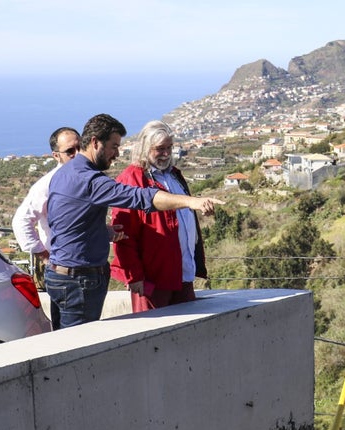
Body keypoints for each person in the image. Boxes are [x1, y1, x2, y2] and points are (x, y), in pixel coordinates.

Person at [45, 113, 223, 330]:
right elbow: (142, 198)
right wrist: (191, 202)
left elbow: (64, 220)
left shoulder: (63, 173)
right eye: (113, 146)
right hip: (80, 279)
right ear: (95, 142)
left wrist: (102, 231)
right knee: (74, 348)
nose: (117, 154)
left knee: (63, 342)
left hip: (58, 274)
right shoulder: (92, 180)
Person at [110, 120, 206, 311]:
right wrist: (134, 276)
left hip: (183, 275)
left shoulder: (174, 175)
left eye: (169, 148)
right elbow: (124, 234)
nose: (166, 154)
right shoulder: (132, 179)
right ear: (145, 147)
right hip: (153, 281)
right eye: (160, 149)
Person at [11, 127, 80, 289]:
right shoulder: (46, 185)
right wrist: (44, 256)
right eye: (70, 151)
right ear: (56, 156)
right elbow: (21, 221)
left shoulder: (86, 179)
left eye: (80, 148)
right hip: (63, 271)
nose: (77, 154)